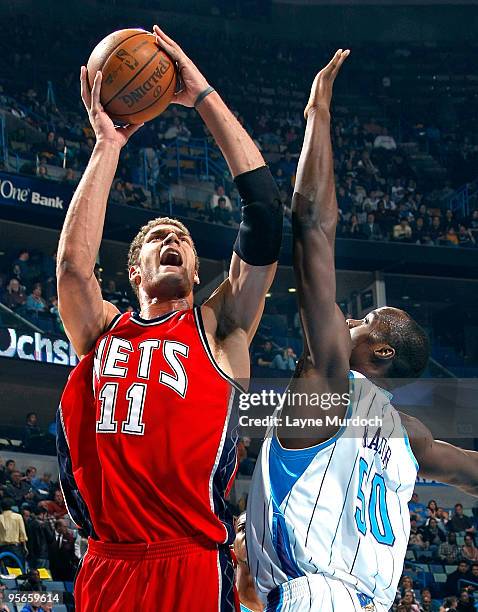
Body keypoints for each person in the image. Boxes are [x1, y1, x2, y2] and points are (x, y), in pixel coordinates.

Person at [55, 25, 283, 612]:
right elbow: (74, 269)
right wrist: (109, 145)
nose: (173, 239)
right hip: (109, 563)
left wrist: (202, 93)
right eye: (159, 237)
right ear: (135, 271)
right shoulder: (102, 333)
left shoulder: (220, 327)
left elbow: (263, 216)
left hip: (190, 562)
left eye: (181, 237)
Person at [247, 50, 478, 612]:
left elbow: (313, 228)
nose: (349, 318)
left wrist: (317, 114)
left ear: (379, 350)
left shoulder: (329, 381)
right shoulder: (413, 438)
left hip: (318, 595)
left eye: (364, 320)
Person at [233, 513, 263, 612]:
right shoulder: (220, 603)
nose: (252, 534)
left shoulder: (289, 603)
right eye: (244, 528)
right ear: (232, 545)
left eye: (260, 530)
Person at [0, 498, 28, 567]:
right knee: (18, 570)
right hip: (15, 548)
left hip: (2, 548)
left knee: (5, 571)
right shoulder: (18, 517)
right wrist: (25, 547)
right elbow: (22, 534)